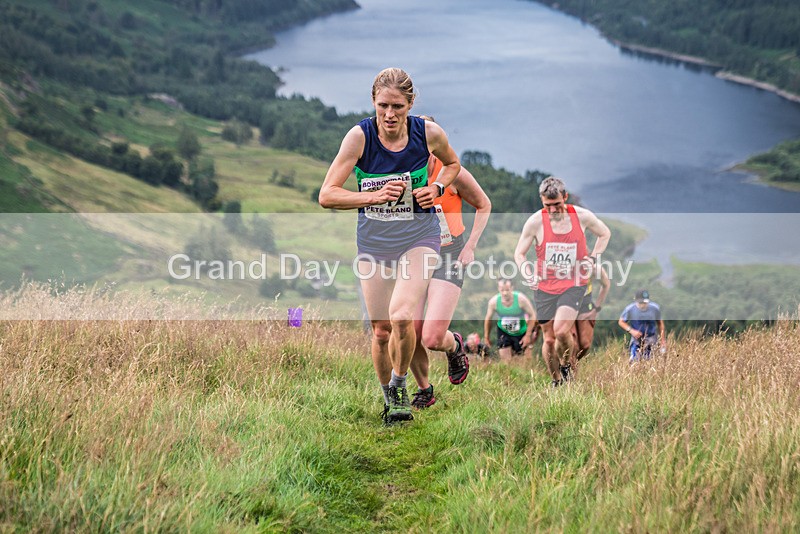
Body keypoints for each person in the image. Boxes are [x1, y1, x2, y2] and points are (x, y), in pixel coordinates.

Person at [318, 68, 460, 425]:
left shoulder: (427, 133)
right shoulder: (359, 138)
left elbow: (453, 165)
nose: (390, 114)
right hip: (374, 242)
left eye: (398, 106)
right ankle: (388, 396)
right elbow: (327, 195)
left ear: (411, 104)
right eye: (383, 106)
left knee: (401, 317)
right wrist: (373, 195)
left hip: (419, 237)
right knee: (381, 330)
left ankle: (399, 388)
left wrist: (438, 189)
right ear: (373, 102)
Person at [409, 121, 492, 409]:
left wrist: (471, 246)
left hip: (449, 255)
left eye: (428, 147)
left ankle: (455, 346)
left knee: (431, 337)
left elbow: (484, 204)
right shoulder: (403, 173)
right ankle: (424, 390)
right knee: (408, 330)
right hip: (415, 256)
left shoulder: (453, 173)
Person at [514, 176, 611, 386]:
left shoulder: (582, 217)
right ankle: (557, 380)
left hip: (574, 283)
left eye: (557, 204)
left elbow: (604, 234)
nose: (553, 210)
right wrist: (527, 273)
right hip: (545, 286)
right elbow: (519, 254)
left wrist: (593, 258)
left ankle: (567, 365)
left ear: (565, 198)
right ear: (541, 201)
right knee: (549, 339)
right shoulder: (535, 222)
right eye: (547, 205)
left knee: (560, 330)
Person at [483, 279, 537, 362]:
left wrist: (528, 335)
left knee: (520, 361)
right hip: (503, 331)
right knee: (506, 361)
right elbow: (488, 319)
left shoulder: (521, 299)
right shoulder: (493, 302)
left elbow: (532, 315)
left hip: (520, 331)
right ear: (498, 289)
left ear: (512, 288)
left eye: (507, 290)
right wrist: (486, 337)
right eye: (502, 290)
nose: (505, 293)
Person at [618, 289, 667, 362]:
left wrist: (663, 341)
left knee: (651, 361)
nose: (643, 305)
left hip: (652, 339)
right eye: (641, 302)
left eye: (645, 302)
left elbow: (660, 323)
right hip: (637, 340)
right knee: (634, 362)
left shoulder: (655, 308)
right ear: (636, 300)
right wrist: (631, 331)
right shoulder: (630, 309)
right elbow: (621, 322)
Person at [574, 264, 611, 361]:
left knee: (585, 344)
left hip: (585, 305)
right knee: (573, 345)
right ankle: (567, 368)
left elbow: (606, 284)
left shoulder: (594, 268)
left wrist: (596, 308)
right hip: (567, 305)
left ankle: (573, 364)